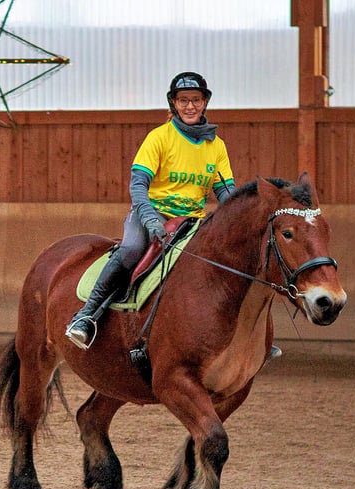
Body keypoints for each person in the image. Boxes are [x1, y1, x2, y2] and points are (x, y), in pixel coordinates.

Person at [65, 71, 236, 350]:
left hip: (191, 221)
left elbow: (227, 194)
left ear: (205, 102)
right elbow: (138, 185)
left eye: (195, 100)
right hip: (151, 214)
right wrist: (148, 217)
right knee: (132, 249)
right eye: (183, 100)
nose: (190, 106)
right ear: (174, 103)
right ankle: (86, 315)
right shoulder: (159, 138)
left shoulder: (216, 147)